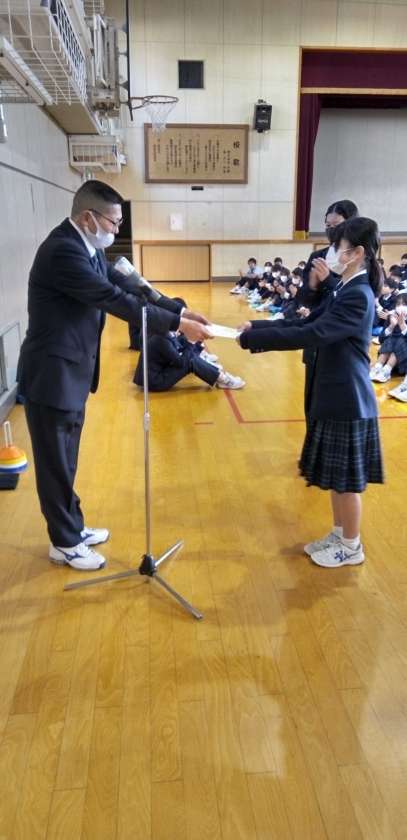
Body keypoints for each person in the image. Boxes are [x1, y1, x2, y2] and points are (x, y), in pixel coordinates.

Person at [17, 180, 212, 571]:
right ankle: (64, 542)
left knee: (66, 459)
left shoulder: (87, 248)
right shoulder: (62, 251)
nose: (117, 229)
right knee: (56, 463)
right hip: (52, 374)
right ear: (88, 217)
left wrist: (177, 309)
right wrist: (177, 325)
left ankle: (72, 527)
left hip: (71, 372)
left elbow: (128, 281)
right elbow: (113, 298)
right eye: (113, 222)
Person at [237, 217, 384, 569]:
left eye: (337, 247)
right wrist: (256, 327)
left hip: (348, 399)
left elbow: (313, 334)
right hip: (334, 394)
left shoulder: (358, 295)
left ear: (356, 253)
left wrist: (255, 339)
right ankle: (340, 533)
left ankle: (351, 546)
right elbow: (306, 321)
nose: (331, 253)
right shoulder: (343, 288)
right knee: (337, 479)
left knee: (346, 483)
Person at [133, 329, 245, 392]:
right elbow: (181, 363)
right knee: (190, 361)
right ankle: (223, 379)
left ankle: (217, 373)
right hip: (154, 382)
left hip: (151, 377)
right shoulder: (162, 340)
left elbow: (179, 350)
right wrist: (191, 342)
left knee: (186, 349)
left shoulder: (162, 333)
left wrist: (195, 342)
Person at [370, 292, 407, 383]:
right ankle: (378, 367)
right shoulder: (391, 317)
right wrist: (391, 326)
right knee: (391, 339)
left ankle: (386, 371)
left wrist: (403, 326)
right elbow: (381, 339)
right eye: (398, 304)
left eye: (404, 304)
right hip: (386, 356)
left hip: (402, 360)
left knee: (400, 340)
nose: (401, 307)